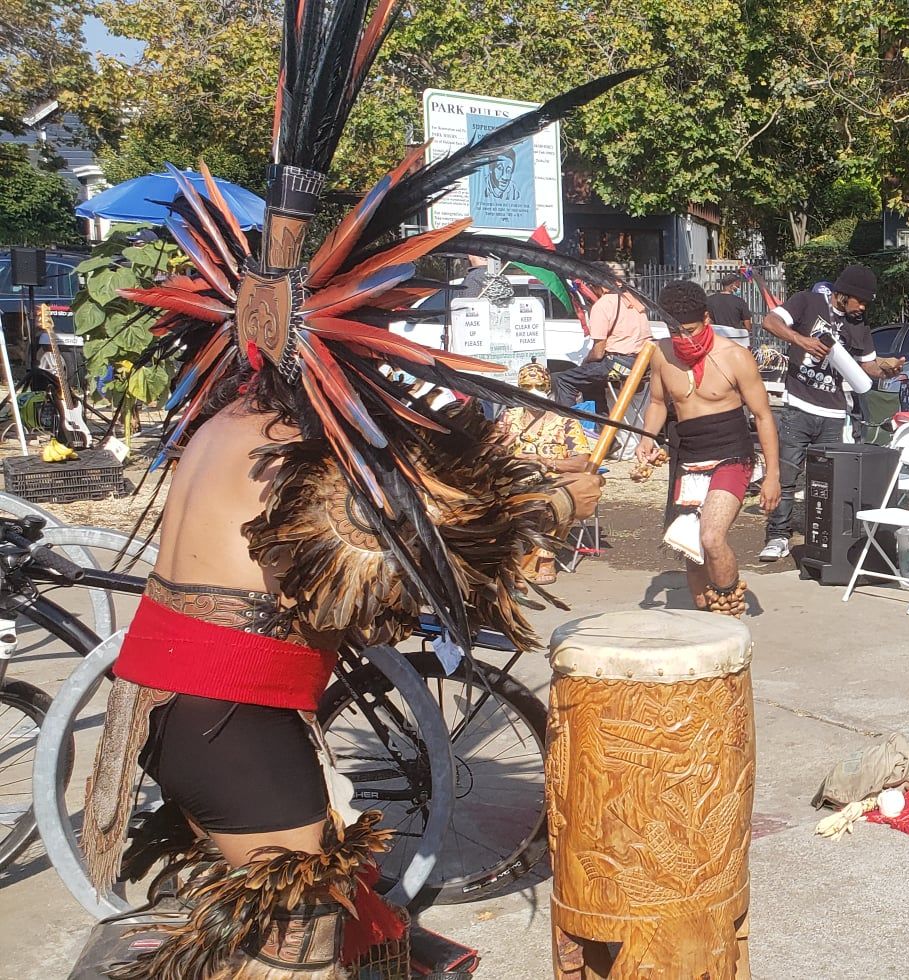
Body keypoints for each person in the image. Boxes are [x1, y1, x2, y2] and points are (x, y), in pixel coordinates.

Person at [79, 12, 634, 974]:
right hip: (235, 730)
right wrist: (548, 501)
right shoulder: (301, 450)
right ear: (338, 339)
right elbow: (415, 569)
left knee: (303, 930)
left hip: (177, 717)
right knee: (304, 953)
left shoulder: (225, 425)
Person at [636, 281, 781, 615]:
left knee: (712, 538)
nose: (683, 339)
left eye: (689, 330)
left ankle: (730, 605)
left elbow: (763, 416)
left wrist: (773, 475)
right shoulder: (661, 353)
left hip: (732, 453)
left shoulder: (735, 356)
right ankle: (707, 613)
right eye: (675, 331)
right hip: (688, 455)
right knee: (691, 547)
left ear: (706, 318)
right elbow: (658, 402)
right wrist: (647, 437)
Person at [757, 264, 905, 562]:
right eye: (859, 301)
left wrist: (888, 366)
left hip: (835, 413)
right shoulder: (807, 302)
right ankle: (778, 535)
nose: (862, 307)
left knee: (825, 481)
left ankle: (820, 538)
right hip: (798, 405)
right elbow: (769, 322)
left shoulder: (859, 325)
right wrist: (802, 341)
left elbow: (867, 368)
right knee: (787, 474)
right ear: (842, 294)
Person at [500, 363, 599, 584]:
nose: (533, 391)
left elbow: (582, 462)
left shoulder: (564, 421)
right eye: (526, 386)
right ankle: (505, 557)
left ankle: (545, 559)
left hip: (554, 478)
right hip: (515, 477)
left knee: (554, 500)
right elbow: (492, 450)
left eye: (539, 386)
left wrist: (545, 462)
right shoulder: (510, 418)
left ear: (548, 389)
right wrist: (501, 444)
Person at [551, 281, 654, 408]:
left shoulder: (603, 305)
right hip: (644, 365)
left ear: (597, 287)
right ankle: (601, 424)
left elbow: (598, 353)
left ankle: (569, 425)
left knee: (563, 380)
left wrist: (585, 361)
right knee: (591, 381)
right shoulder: (633, 301)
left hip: (618, 364)